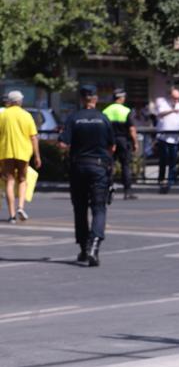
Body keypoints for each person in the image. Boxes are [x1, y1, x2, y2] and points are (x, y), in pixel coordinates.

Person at [59, 85, 115, 266]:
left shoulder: (74, 118)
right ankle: (94, 247)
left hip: (78, 167)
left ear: (82, 99)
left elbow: (62, 144)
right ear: (95, 99)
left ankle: (84, 248)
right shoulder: (103, 119)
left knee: (80, 208)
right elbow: (112, 146)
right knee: (99, 208)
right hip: (99, 167)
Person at [0, 90, 41, 223]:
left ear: (10, 101)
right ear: (20, 101)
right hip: (23, 152)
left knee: (9, 181)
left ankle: (12, 215)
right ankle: (20, 207)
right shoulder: (26, 115)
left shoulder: (3, 115)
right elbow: (33, 137)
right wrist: (37, 156)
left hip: (5, 152)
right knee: (23, 180)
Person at [102, 89, 139, 200]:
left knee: (109, 166)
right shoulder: (126, 110)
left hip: (109, 141)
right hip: (123, 141)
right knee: (125, 166)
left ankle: (107, 191)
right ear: (121, 98)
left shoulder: (106, 111)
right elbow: (132, 129)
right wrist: (135, 142)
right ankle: (127, 192)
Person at [154, 88, 179, 193]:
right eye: (174, 98)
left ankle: (171, 179)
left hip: (175, 137)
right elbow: (159, 114)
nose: (176, 100)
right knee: (164, 159)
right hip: (163, 137)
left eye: (178, 98)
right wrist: (172, 111)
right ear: (170, 97)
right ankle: (161, 178)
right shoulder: (163, 104)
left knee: (173, 159)